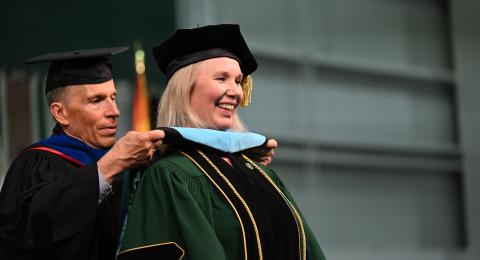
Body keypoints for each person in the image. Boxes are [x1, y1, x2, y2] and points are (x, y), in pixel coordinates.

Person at [118, 24, 326, 260]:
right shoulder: (171, 175)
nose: (235, 91)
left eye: (238, 81)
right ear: (185, 89)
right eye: (221, 78)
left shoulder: (260, 172)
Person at [0, 47, 166, 260]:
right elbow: (29, 236)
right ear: (60, 113)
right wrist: (111, 165)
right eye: (96, 100)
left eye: (113, 97)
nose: (114, 111)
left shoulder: (130, 164)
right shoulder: (36, 163)